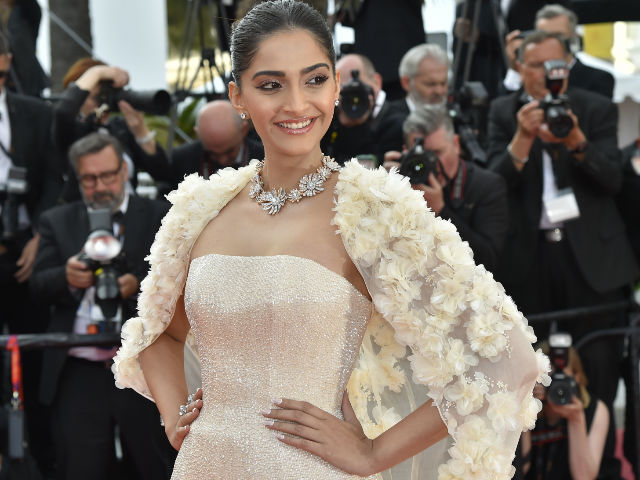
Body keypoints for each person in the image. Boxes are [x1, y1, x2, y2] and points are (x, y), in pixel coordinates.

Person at [113, 2, 545, 479]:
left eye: (315, 80)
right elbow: (159, 334)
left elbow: (503, 357)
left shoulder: (372, 212)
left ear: (337, 86)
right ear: (238, 96)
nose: (297, 104)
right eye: (271, 85)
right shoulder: (201, 210)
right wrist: (176, 419)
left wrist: (372, 455)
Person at [487, 29, 638, 478]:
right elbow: (494, 184)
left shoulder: (594, 108)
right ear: (520, 68)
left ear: (567, 68)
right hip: (531, 263)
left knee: (601, 366)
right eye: (537, 66)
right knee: (529, 369)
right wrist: (523, 139)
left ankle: (603, 462)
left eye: (557, 66)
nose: (548, 75)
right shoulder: (502, 112)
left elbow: (614, 180)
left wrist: (576, 141)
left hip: (591, 263)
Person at [30, 132, 175, 480]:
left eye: (109, 175)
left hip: (144, 363)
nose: (101, 186)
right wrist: (66, 276)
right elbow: (37, 286)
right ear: (76, 180)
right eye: (89, 179)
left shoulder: (160, 214)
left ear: (124, 172)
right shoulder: (58, 219)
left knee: (154, 465)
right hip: (79, 364)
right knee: (80, 466)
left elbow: (179, 275)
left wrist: (139, 285)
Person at [383, 105, 508, 271]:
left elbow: (489, 260)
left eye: (437, 153)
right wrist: (385, 190)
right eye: (422, 156)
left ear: (456, 144)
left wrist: (440, 211)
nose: (432, 163)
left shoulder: (487, 186)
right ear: (406, 152)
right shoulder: (400, 184)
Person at [53, 58, 170, 202]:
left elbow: (163, 172)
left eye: (105, 95)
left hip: (129, 214)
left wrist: (140, 131)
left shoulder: (119, 128)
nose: (102, 102)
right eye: (96, 97)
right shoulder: (70, 131)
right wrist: (97, 72)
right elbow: (63, 112)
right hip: (85, 214)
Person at [520, 341, 612, 479]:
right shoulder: (529, 406)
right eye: (548, 377)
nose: (557, 385)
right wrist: (525, 407)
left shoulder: (594, 409)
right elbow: (520, 470)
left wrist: (576, 419)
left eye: (562, 377)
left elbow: (584, 477)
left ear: (577, 377)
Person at [143, 99, 264, 192]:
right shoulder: (181, 160)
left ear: (243, 130)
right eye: (212, 154)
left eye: (229, 151)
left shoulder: (266, 158)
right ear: (198, 134)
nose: (222, 161)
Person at [501, 4, 614, 99]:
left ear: (574, 37)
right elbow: (506, 111)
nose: (551, 42)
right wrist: (515, 69)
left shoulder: (598, 79)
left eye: (558, 36)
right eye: (545, 35)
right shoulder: (531, 74)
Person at [321, 53, 397, 165]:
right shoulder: (331, 121)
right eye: (346, 91)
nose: (354, 98)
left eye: (359, 87)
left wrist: (358, 127)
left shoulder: (397, 123)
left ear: (376, 82)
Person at [383, 44, 450, 153]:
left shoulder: (455, 116)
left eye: (443, 83)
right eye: (431, 84)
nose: (440, 91)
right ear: (406, 83)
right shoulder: (388, 121)